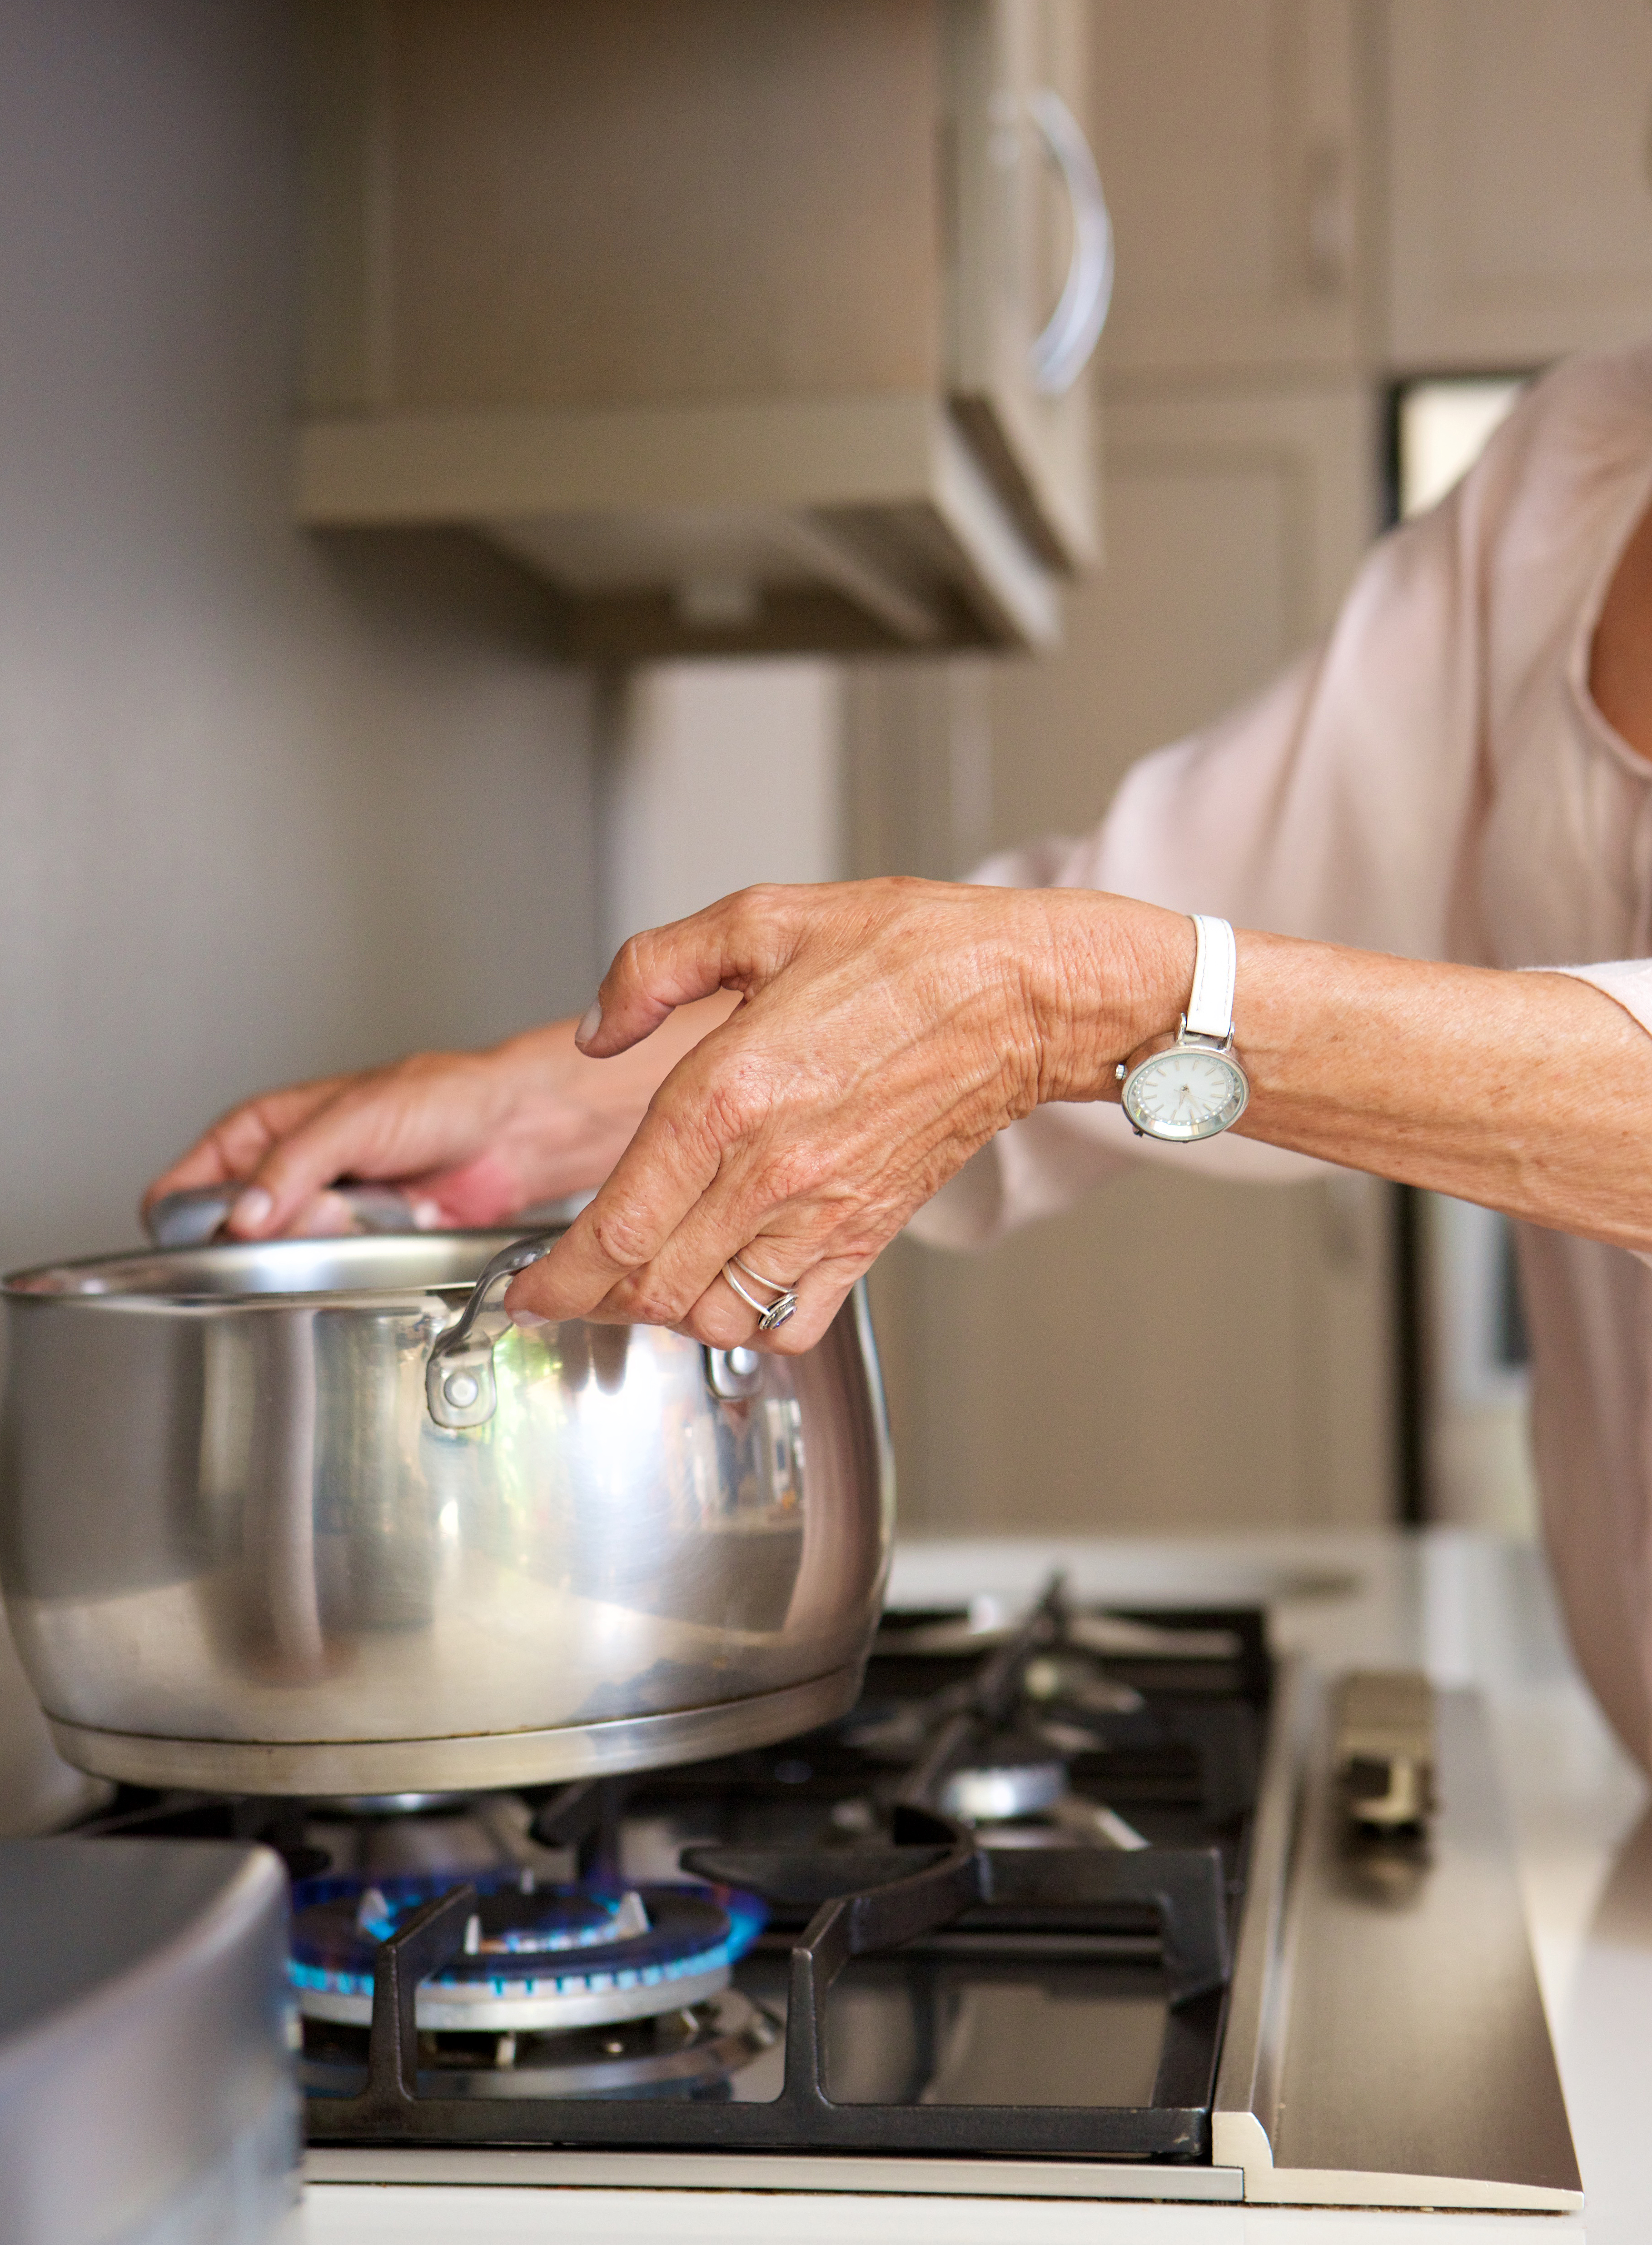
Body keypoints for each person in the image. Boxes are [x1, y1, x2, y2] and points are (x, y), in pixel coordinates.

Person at [149, 343, 1652, 1766]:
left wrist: (1063, 1006)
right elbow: (1217, 901)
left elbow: (1122, 995)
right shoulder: (1579, 460)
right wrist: (554, 1110)